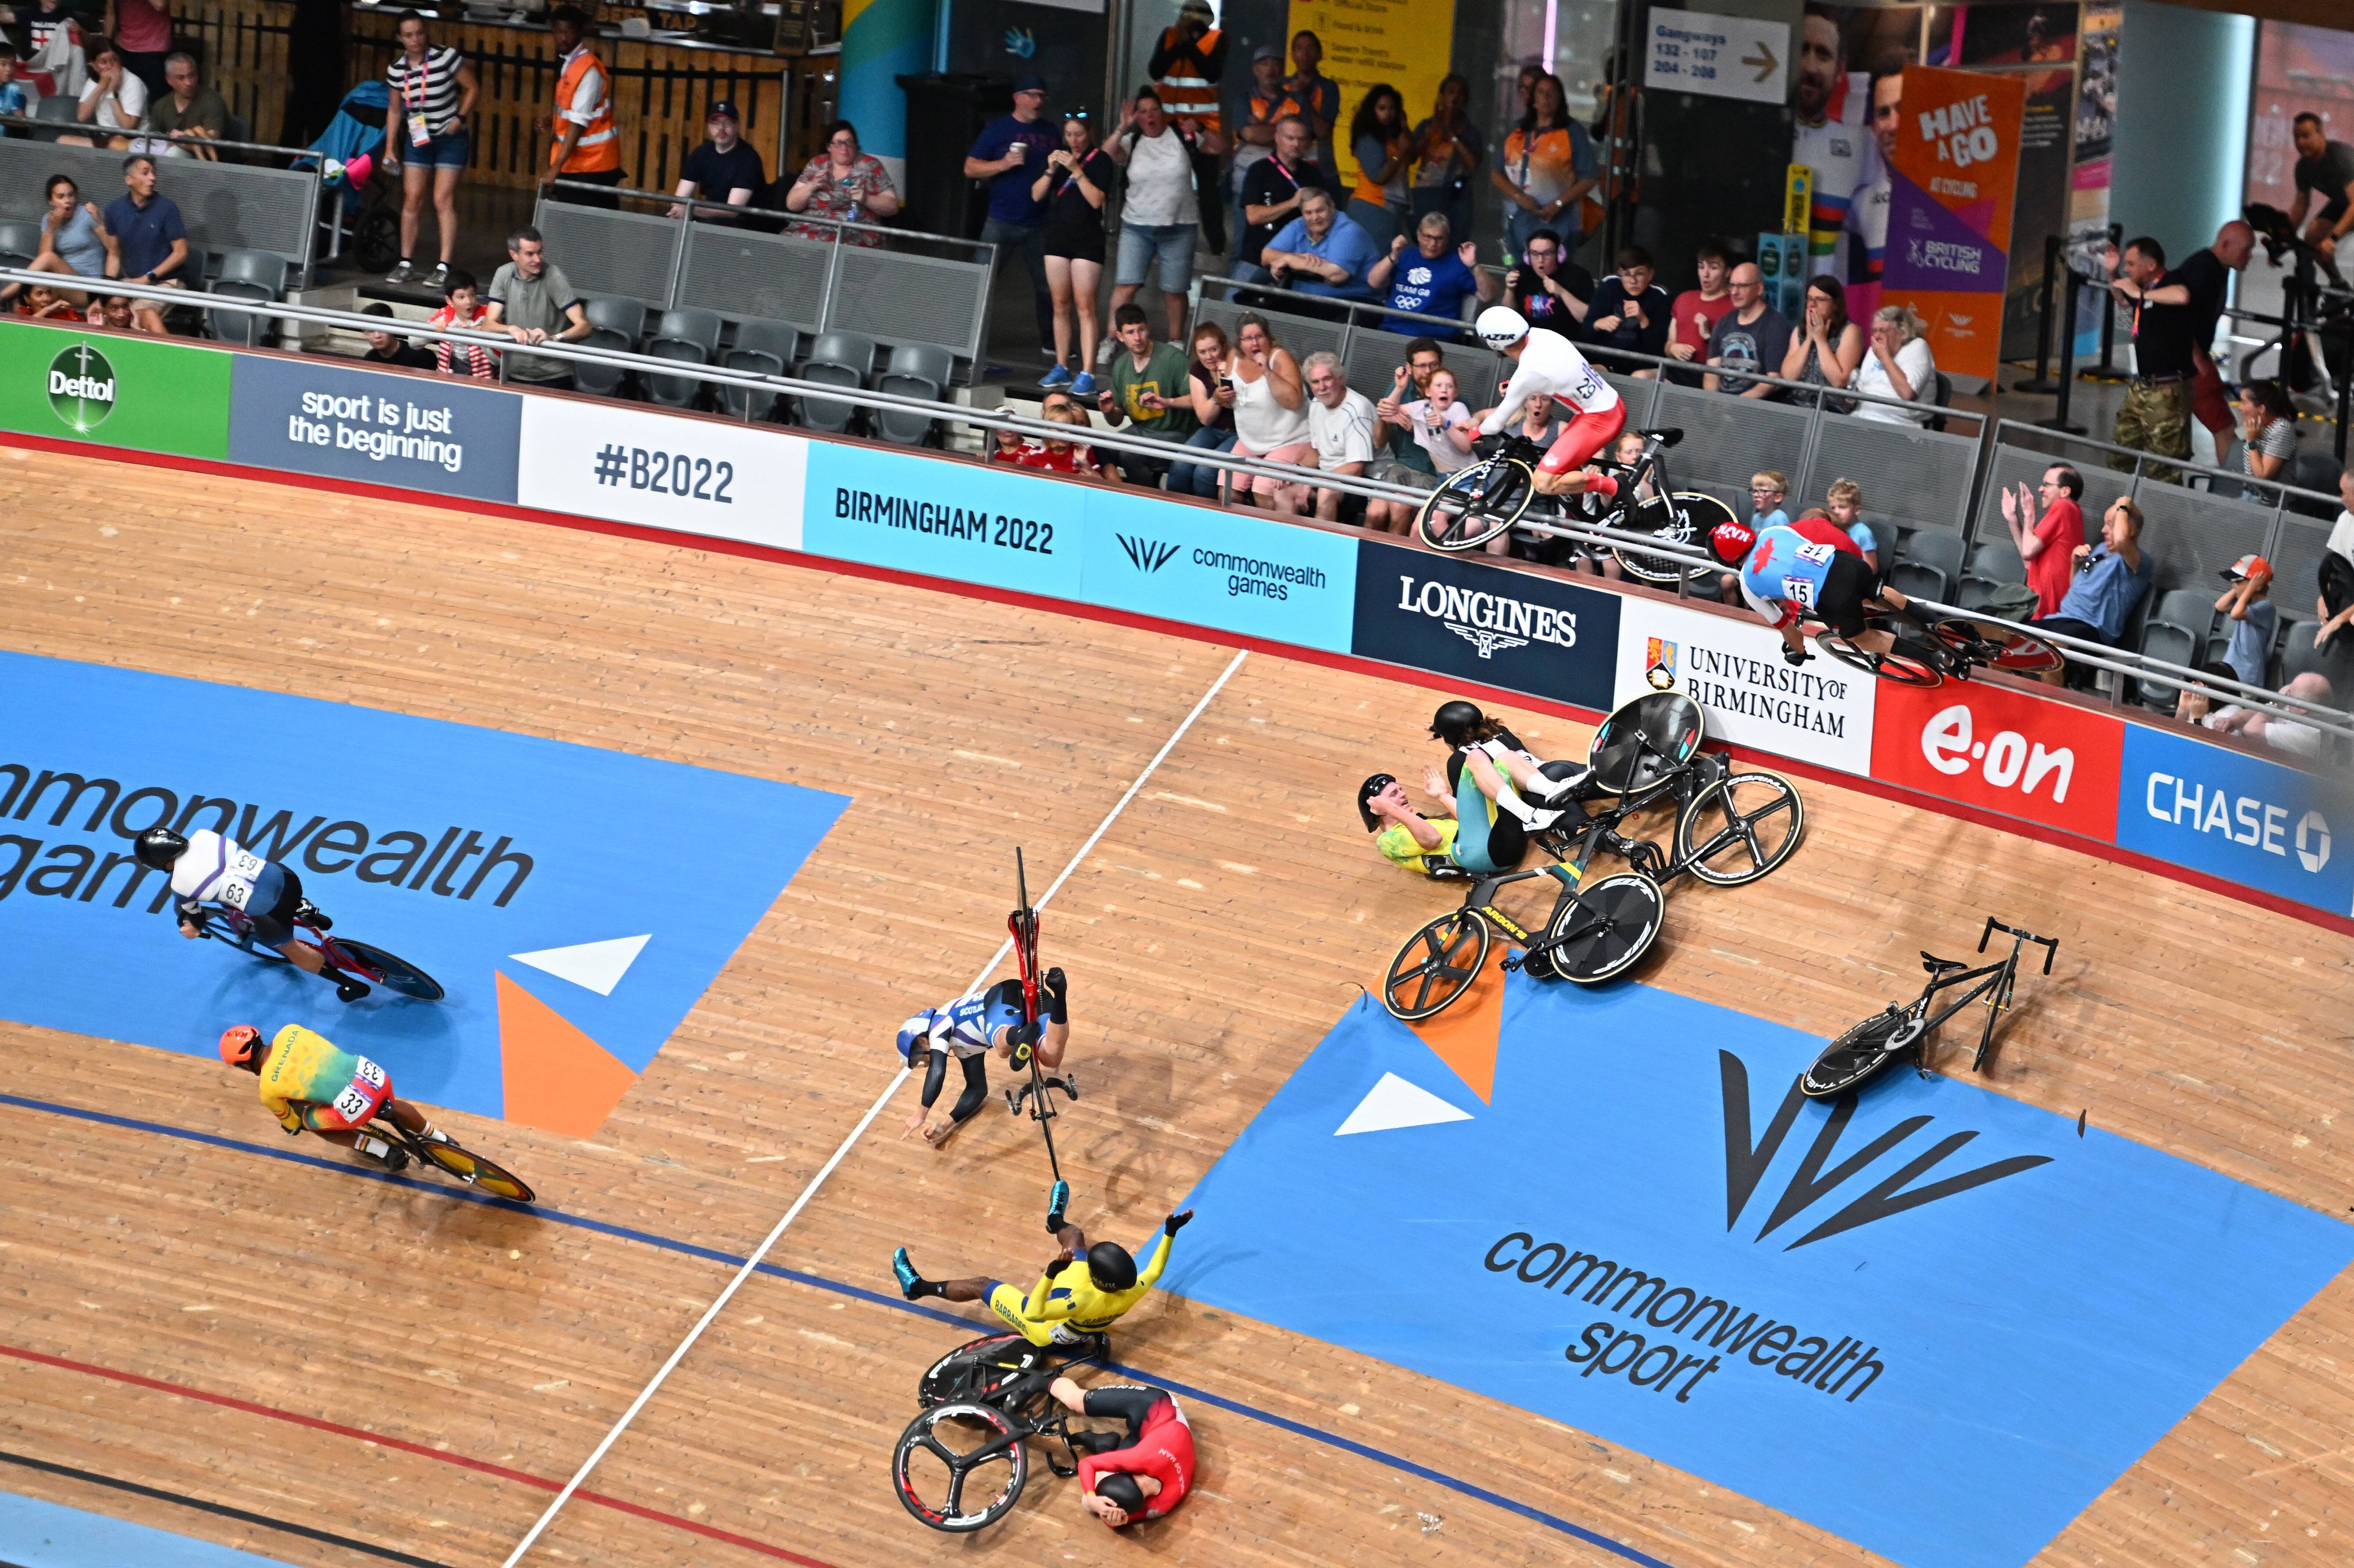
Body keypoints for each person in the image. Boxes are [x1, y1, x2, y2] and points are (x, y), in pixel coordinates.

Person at [891, 1208, 1195, 1349]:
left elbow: (1034, 1312)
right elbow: (1154, 1271)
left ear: (1095, 1278)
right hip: (1085, 1316)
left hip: (1045, 1331)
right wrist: (1170, 1232)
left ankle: (917, 1287)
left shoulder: (1081, 1299)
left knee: (981, 1285)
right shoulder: (1130, 1291)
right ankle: (1054, 1221)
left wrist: (1051, 1273)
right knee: (1075, 1239)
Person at [132, 825, 371, 994]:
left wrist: (193, 928)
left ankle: (348, 984)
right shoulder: (204, 835)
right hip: (286, 877)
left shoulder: (180, 885)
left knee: (289, 948)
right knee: (275, 882)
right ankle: (302, 907)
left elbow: (194, 916)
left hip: (268, 911)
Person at [217, 1023, 454, 1170]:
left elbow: (292, 1125)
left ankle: (382, 1151)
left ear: (243, 1066)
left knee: (312, 1124)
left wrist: (293, 1124)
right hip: (372, 1074)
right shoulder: (291, 1030)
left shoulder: (267, 1089)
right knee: (393, 1104)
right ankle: (438, 1137)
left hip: (355, 1107)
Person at [1712, 520, 1930, 667]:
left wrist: (1798, 652)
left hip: (1832, 596)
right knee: (1876, 594)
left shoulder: (1747, 584)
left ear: (1726, 559)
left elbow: (1791, 632)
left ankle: (1929, 657)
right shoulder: (1774, 531)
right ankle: (1937, 624)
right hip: (1847, 563)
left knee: (1861, 637)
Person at [894, 971, 1069, 1147]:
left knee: (1002, 1049)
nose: (926, 1062)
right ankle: (1060, 993)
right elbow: (976, 1090)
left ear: (922, 1040)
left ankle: (1019, 1035)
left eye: (920, 1058)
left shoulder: (938, 1024)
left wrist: (920, 1115)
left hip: (1005, 997)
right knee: (1051, 1057)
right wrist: (944, 1125)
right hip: (1039, 1002)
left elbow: (938, 1070)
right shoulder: (962, 1049)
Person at [1472, 304, 1624, 499]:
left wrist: (1473, 432)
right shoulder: (1544, 335)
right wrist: (1520, 386)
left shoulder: (1527, 374)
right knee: (1562, 468)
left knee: (1543, 482)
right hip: (1607, 405)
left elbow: (1495, 424)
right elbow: (1556, 374)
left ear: (1494, 343)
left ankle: (1614, 486)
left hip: (1598, 419)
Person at [964, 72, 1060, 364]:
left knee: (1048, 287)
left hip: (1040, 222)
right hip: (1001, 220)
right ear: (1016, 98)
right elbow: (970, 168)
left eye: (1042, 96)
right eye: (1031, 94)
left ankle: (1051, 342)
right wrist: (1003, 163)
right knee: (980, 282)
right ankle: (967, 341)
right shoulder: (998, 130)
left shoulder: (1052, 131)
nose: (1038, 101)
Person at [381, 12, 478, 287]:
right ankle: (405, 262)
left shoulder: (446, 57)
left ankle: (444, 265)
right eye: (409, 35)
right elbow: (394, 109)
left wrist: (460, 119)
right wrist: (390, 148)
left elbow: (472, 87)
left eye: (420, 33)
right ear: (400, 38)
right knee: (412, 200)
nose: (416, 39)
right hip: (418, 138)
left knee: (442, 200)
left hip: (450, 138)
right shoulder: (396, 70)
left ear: (427, 33)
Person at [1106, 88, 1209, 345]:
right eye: (1142, 111)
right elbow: (1106, 153)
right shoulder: (1133, 142)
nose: (1150, 116)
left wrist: (1201, 128)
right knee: (1126, 286)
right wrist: (1122, 126)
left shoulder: (1181, 137)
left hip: (1179, 226)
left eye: (1154, 110)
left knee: (1174, 290)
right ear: (1136, 116)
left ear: (1163, 113)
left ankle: (1175, 341)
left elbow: (1220, 147)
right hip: (1137, 226)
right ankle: (1112, 338)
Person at [2102, 235, 2193, 482]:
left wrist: (2140, 293)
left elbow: (2182, 296)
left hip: (2167, 389)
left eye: (2131, 264)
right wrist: (2112, 275)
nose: (2127, 269)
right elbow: (2122, 299)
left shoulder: (2173, 280)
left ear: (2151, 265)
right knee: (2120, 455)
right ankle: (2117, 512)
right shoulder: (2144, 290)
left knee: (2163, 467)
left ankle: (2162, 517)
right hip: (2139, 386)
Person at [1048, 1377, 1195, 1529]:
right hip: (1153, 1405)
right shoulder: (1140, 1461)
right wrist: (1092, 1498)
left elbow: (1118, 1516)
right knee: (1076, 1401)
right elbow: (1086, 1463)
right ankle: (1045, 1381)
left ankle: (1104, 1444)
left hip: (1149, 1437)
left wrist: (1108, 1515)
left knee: (1092, 1498)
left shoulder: (1159, 1506)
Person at [2032, 497, 2153, 680]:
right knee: (2006, 642)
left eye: (2111, 525)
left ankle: (2051, 705)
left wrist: (2124, 503)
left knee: (2050, 652)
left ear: (2131, 531)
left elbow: (2121, 541)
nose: (2104, 530)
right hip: (2061, 619)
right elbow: (2077, 589)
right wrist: (2075, 564)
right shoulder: (2099, 550)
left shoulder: (2139, 563)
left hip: (2091, 630)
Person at [1036, 114, 1112, 394]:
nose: (1074, 140)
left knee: (1085, 306)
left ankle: (1088, 371)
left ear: (1090, 133)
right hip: (1057, 237)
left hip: (1087, 240)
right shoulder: (1059, 159)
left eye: (1079, 134)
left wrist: (1076, 170)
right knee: (1059, 304)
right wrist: (1049, 170)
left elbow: (1096, 200)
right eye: (1069, 134)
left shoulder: (1100, 160)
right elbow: (1036, 195)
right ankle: (1060, 366)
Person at [1146, 0, 1223, 254]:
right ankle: (1158, 234)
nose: (1185, 20)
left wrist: (1189, 44)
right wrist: (1178, 43)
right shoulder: (1170, 35)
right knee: (1164, 179)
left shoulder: (1217, 39)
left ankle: (1216, 245)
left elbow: (1211, 73)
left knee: (1208, 186)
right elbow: (1156, 70)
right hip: (1169, 124)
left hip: (1203, 125)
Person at [1095, 303, 1198, 489]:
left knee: (1130, 454)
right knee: (1099, 448)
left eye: (1141, 330)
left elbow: (1198, 400)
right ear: (1120, 337)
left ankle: (1143, 500)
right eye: (1131, 332)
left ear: (1148, 329)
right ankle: (1120, 493)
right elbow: (1116, 421)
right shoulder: (1121, 366)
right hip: (1141, 432)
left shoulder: (1172, 359)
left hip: (1178, 434)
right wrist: (1110, 412)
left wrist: (1168, 402)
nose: (1137, 338)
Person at [1492, 72, 1593, 260]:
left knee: (1555, 277)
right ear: (1533, 99)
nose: (1546, 98)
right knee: (1520, 275)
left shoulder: (1572, 132)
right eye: (1541, 92)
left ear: (1560, 99)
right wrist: (1518, 197)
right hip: (1518, 219)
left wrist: (1558, 203)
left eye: (1552, 93)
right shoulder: (1517, 131)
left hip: (1560, 220)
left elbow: (1589, 178)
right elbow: (1495, 172)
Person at [1368, 364, 1475, 534]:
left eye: (1449, 386)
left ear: (1454, 393)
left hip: (1466, 478)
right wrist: (1399, 388)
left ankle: (1449, 558)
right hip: (1443, 480)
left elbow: (1466, 447)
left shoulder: (1458, 409)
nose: (1444, 390)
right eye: (1438, 386)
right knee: (1418, 529)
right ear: (1428, 392)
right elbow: (1388, 413)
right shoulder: (1422, 407)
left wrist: (1446, 424)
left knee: (1435, 523)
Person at [484, 224, 590, 390]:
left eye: (540, 252)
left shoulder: (554, 276)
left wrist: (555, 338)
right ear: (514, 255)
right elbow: (488, 326)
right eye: (530, 254)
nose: (538, 259)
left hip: (554, 376)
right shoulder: (503, 274)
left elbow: (584, 326)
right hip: (513, 373)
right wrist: (511, 329)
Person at [1224, 312, 1312, 508]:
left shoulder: (1281, 359)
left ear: (1268, 337)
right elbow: (1231, 398)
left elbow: (1294, 402)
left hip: (1289, 440)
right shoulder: (1233, 356)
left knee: (1262, 488)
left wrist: (1267, 372)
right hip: (1251, 441)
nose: (1255, 343)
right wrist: (1221, 398)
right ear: (1239, 342)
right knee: (1227, 488)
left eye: (1259, 336)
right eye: (1248, 338)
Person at [2177, 219, 2253, 448]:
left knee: (2223, 428)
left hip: (2190, 362)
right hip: (2188, 364)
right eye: (2246, 250)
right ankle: (2231, 482)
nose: (2249, 256)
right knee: (2225, 429)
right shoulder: (2203, 271)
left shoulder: (2219, 269)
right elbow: (2178, 320)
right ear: (2226, 245)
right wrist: (2200, 362)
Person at [537, 6, 620, 206]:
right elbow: (570, 109)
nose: (562, 38)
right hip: (581, 164)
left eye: (568, 32)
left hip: (593, 166)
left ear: (580, 32)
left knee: (586, 229)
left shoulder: (587, 70)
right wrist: (551, 120)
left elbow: (578, 122)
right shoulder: (570, 62)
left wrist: (555, 168)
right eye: (558, 32)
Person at [1236, 114, 1332, 284]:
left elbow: (1325, 220)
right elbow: (1253, 216)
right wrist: (1292, 203)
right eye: (1290, 138)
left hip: (1299, 261)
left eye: (1302, 139)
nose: (1296, 144)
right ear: (1277, 138)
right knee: (1232, 306)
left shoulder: (1314, 175)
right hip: (1256, 257)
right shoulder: (1259, 170)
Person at [1281, 350, 1375, 521]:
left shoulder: (1358, 409)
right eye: (1315, 382)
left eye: (1327, 379)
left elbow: (1357, 467)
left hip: (1360, 482)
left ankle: (1320, 546)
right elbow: (1316, 453)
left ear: (1340, 379)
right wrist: (1296, 472)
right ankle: (1289, 544)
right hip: (1326, 475)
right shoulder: (1316, 405)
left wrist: (1315, 481)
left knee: (1325, 491)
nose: (1322, 387)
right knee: (1283, 489)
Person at [1368, 211, 1495, 334]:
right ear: (1418, 235)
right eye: (1428, 237)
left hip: (1432, 337)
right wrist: (1393, 255)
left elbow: (1488, 296)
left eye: (1439, 239)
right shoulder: (1405, 255)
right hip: (1392, 330)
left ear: (1447, 240)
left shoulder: (1457, 264)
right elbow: (1374, 282)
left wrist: (1474, 266)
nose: (1433, 244)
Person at [1227, 44, 1301, 241]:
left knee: (1281, 242)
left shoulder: (1295, 101)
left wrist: (1262, 127)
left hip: (1284, 183)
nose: (1271, 69)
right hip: (1246, 181)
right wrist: (1283, 132)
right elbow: (1250, 135)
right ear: (1255, 69)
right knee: (1242, 243)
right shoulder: (1244, 100)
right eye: (1264, 63)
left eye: (1276, 64)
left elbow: (1302, 136)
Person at [104, 152, 182, 332]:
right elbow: (114, 254)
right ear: (129, 180)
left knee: (139, 314)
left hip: (166, 281)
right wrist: (104, 292)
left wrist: (148, 277)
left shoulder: (167, 208)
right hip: (132, 282)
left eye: (154, 173)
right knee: (105, 311)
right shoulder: (114, 210)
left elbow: (181, 252)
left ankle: (171, 358)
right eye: (146, 173)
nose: (152, 178)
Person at [784, 116, 896, 243]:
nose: (844, 148)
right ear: (829, 147)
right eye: (838, 143)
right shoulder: (818, 163)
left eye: (849, 142)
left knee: (832, 244)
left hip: (855, 226)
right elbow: (792, 205)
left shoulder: (871, 165)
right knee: (783, 241)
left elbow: (892, 206)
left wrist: (866, 199)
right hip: (813, 224)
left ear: (855, 144)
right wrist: (812, 185)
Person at [1260, 185, 1379, 303]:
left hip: (1350, 301)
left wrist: (1291, 261)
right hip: (1303, 298)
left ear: (1332, 207)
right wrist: (1293, 257)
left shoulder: (1349, 231)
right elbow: (1266, 256)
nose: (1315, 217)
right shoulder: (1299, 225)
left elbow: (1336, 275)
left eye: (1320, 211)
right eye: (1308, 213)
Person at [1999, 464, 2086, 618]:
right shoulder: (2067, 513)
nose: (2041, 489)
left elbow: (2028, 551)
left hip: (2045, 610)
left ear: (2065, 491)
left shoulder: (2064, 506)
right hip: (2038, 607)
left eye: (2047, 484)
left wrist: (2029, 516)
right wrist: (2013, 519)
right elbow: (2028, 560)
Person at [1408, 73, 1481, 241]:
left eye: (1460, 94)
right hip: (1425, 192)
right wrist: (1427, 137)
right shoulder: (1427, 125)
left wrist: (1454, 137)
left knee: (1454, 242)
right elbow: (1411, 158)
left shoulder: (1470, 132)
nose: (1455, 98)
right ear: (1442, 97)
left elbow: (1473, 165)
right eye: (1451, 92)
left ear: (1465, 101)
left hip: (1455, 195)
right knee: (1424, 240)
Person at [1169, 321, 1238, 500]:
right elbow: (1205, 419)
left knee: (1205, 472)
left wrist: (1227, 376)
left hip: (1240, 433)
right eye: (1203, 352)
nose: (1209, 357)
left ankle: (1205, 515)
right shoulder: (1198, 369)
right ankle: (1174, 508)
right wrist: (1216, 399)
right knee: (1181, 463)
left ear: (1223, 347)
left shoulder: (1236, 364)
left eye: (1213, 349)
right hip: (1213, 429)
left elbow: (1238, 405)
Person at [674, 98, 769, 225]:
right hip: (709, 216)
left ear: (737, 126)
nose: (721, 128)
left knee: (712, 223)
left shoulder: (749, 159)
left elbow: (732, 211)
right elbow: (679, 198)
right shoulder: (701, 153)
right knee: (665, 220)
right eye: (715, 122)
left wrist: (690, 209)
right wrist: (679, 209)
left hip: (746, 223)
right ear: (708, 126)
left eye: (727, 123)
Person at [21, 174, 112, 305]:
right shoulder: (49, 219)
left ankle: (6, 294)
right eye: (61, 197)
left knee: (49, 260)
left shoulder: (88, 214)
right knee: (25, 299)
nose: (68, 200)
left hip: (90, 288)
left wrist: (100, 223)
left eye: (71, 195)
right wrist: (51, 229)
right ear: (51, 201)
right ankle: (14, 298)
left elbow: (114, 251)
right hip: (62, 284)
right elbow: (42, 263)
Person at [1704, 262, 1791, 400]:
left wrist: (1734, 405)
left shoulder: (1776, 326)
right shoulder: (1724, 322)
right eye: (1732, 285)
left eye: (1742, 286)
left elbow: (1773, 381)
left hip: (1755, 413)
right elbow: (1711, 372)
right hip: (1721, 407)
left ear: (1759, 289)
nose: (1734, 292)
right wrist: (1712, 402)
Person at [1345, 83, 1412, 251]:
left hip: (1391, 207)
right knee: (1377, 262)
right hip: (1372, 206)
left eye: (1392, 108)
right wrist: (1400, 152)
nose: (1388, 113)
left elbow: (1413, 153)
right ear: (1372, 110)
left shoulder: (1393, 136)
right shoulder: (1368, 137)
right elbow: (1378, 176)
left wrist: (1405, 127)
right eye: (1382, 108)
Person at [2205, 672, 2334, 759]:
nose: (2285, 694)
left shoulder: (2311, 734)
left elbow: (2251, 730)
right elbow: (2258, 713)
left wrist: (2277, 702)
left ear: (2303, 708)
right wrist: (2233, 720)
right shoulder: (2296, 710)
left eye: (2289, 693)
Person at [1780, 274, 1863, 408]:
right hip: (1796, 405)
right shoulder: (1799, 331)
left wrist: (1821, 341)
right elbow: (1788, 376)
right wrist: (1809, 340)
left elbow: (1839, 381)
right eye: (1810, 299)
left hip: (1830, 409)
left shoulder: (1850, 331)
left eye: (1820, 300)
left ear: (1835, 304)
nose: (1812, 305)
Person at [2288, 112, 2354, 274]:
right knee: (2312, 236)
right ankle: (2337, 283)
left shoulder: (2340, 159)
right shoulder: (2303, 167)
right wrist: (2283, 238)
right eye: (2297, 137)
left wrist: (2333, 238)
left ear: (2321, 134)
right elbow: (2301, 206)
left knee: (2328, 241)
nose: (2301, 142)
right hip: (2344, 203)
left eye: (2306, 136)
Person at [1584, 244, 1670, 369]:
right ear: (1620, 274)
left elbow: (1657, 351)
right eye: (1627, 274)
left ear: (1650, 274)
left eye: (1639, 274)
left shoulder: (1660, 295)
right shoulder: (1610, 285)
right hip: (1601, 359)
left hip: (1635, 366)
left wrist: (1644, 320)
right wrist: (1598, 324)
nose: (1633, 281)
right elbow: (1584, 333)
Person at [1502, 228, 1592, 338]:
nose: (1540, 260)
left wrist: (1562, 292)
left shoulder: (1578, 276)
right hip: (1529, 342)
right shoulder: (1522, 272)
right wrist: (1509, 290)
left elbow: (1586, 318)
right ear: (1527, 256)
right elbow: (1508, 315)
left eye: (1547, 254)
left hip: (1565, 344)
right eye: (1535, 254)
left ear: (1559, 254)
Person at [1853, 302, 1934, 423]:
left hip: (1899, 423)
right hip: (1862, 417)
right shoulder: (1873, 350)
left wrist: (1884, 357)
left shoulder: (1918, 347)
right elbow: (1860, 390)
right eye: (1874, 330)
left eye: (1883, 330)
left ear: (1902, 331)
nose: (1877, 336)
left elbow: (1907, 394)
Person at [138, 49, 224, 158]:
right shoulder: (161, 105)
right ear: (169, 80)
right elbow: (154, 140)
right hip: (165, 155)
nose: (188, 82)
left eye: (192, 75)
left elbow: (213, 140)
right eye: (181, 78)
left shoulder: (212, 100)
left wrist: (181, 141)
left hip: (206, 162)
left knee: (174, 154)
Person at [1665, 240, 1733, 375]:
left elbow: (1736, 356)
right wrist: (1673, 348)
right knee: (1640, 376)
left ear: (1727, 273)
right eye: (1701, 267)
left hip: (1710, 376)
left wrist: (1709, 336)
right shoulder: (1684, 299)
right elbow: (1668, 345)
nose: (1705, 274)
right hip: (1677, 372)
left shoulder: (1734, 306)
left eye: (1713, 268)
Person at [2214, 554, 2279, 693]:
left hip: (2246, 679)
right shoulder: (2245, 604)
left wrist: (2250, 588)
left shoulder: (2266, 607)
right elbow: (2220, 606)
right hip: (2230, 672)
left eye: (2238, 582)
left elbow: (2235, 614)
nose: (2233, 586)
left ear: (2257, 586)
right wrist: (2238, 589)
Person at [67, 36, 143, 149]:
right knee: (63, 140)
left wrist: (111, 93)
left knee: (115, 145)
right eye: (103, 62)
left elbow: (128, 127)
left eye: (114, 60)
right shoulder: (94, 81)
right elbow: (82, 117)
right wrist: (102, 85)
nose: (110, 66)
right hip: (103, 136)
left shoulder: (133, 82)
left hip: (131, 140)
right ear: (94, 65)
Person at [1285, 28, 1341, 175]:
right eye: (1299, 48)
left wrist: (1303, 97)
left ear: (1319, 55)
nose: (1304, 54)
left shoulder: (1328, 87)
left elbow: (1323, 132)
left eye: (1310, 49)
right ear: (1292, 55)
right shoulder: (1283, 86)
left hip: (1319, 165)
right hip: (1286, 163)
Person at [425, 268, 496, 379]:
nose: (469, 302)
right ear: (449, 300)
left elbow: (497, 359)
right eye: (461, 297)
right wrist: (433, 328)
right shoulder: (445, 314)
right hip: (447, 377)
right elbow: (414, 343)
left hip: (482, 380)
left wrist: (476, 332)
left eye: (472, 295)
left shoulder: (488, 316)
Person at [2234, 378, 2298, 497]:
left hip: (2268, 503)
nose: (2240, 408)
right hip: (2248, 493)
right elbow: (2236, 436)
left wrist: (2251, 442)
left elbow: (2262, 477)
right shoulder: (2256, 425)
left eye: (2243, 402)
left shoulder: (2282, 430)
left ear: (2262, 409)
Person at [2313, 469, 2354, 653]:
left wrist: (2339, 619)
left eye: (2344, 493)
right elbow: (2337, 569)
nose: (2341, 498)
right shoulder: (2345, 519)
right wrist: (2324, 597)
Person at [14, 0, 87, 102]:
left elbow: (88, 38)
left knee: (77, 50)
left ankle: (73, 101)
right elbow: (4, 17)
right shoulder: (28, 13)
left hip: (57, 69)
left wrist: (80, 30)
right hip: (32, 67)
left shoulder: (66, 13)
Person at [99, 0, 167, 100]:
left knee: (154, 101)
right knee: (125, 98)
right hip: (125, 49)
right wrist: (105, 48)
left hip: (154, 51)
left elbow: (160, 5)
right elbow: (110, 13)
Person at [357, 300, 434, 369]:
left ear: (393, 327)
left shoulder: (422, 357)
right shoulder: (370, 359)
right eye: (371, 331)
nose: (377, 336)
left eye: (382, 329)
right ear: (364, 333)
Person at [1821, 477, 1879, 568]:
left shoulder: (1863, 534)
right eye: (1833, 508)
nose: (1836, 512)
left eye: (1842, 507)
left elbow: (1872, 568)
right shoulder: (1830, 527)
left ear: (1857, 510)